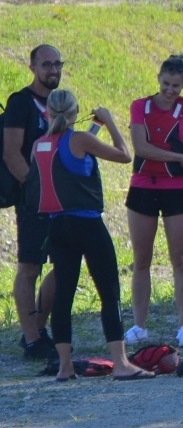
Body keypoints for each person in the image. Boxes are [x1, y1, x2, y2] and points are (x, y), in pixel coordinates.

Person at [25, 89, 150, 382]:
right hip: (88, 225)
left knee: (64, 296)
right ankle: (121, 363)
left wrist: (93, 129)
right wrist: (108, 122)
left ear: (48, 114)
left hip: (57, 226)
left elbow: (66, 162)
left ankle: (64, 366)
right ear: (73, 112)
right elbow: (124, 155)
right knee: (109, 292)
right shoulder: (80, 138)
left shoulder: (38, 145)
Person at [124, 54, 183, 348]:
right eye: (167, 83)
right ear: (158, 78)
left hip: (176, 187)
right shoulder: (140, 107)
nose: (171, 91)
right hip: (143, 185)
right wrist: (179, 157)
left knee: (180, 257)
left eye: (177, 85)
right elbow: (141, 148)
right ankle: (139, 326)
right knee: (141, 260)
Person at [4, 45, 62, 360]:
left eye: (57, 64)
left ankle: (38, 329)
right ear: (33, 67)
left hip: (62, 198)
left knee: (64, 263)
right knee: (29, 267)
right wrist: (33, 188)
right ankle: (31, 338)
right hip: (33, 199)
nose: (53, 70)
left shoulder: (58, 102)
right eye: (46, 64)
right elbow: (11, 152)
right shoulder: (20, 103)